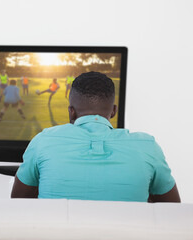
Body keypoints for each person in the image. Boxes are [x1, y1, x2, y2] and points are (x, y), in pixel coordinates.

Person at [11, 71, 180, 203]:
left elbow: (19, 203)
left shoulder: (43, 141)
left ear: (71, 112)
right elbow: (171, 211)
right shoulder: (148, 146)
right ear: (113, 111)